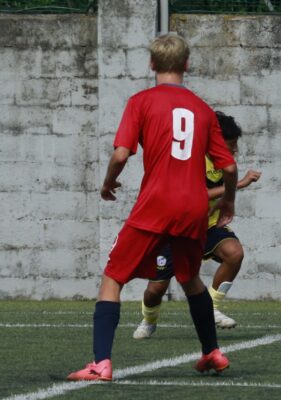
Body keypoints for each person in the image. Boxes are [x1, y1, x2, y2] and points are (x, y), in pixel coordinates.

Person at [67, 33, 238, 381]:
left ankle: (101, 364)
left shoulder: (141, 101)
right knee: (190, 279)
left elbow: (120, 153)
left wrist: (108, 181)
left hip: (156, 204)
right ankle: (212, 352)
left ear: (152, 64)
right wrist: (229, 199)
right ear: (186, 65)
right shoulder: (204, 110)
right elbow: (230, 168)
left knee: (113, 279)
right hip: (193, 208)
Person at [133, 112, 261, 338]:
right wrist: (238, 185)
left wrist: (225, 199)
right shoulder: (191, 160)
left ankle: (211, 307)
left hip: (207, 226)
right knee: (155, 290)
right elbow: (196, 195)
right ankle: (149, 320)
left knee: (235, 253)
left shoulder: (224, 163)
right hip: (175, 230)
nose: (235, 150)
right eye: (231, 145)